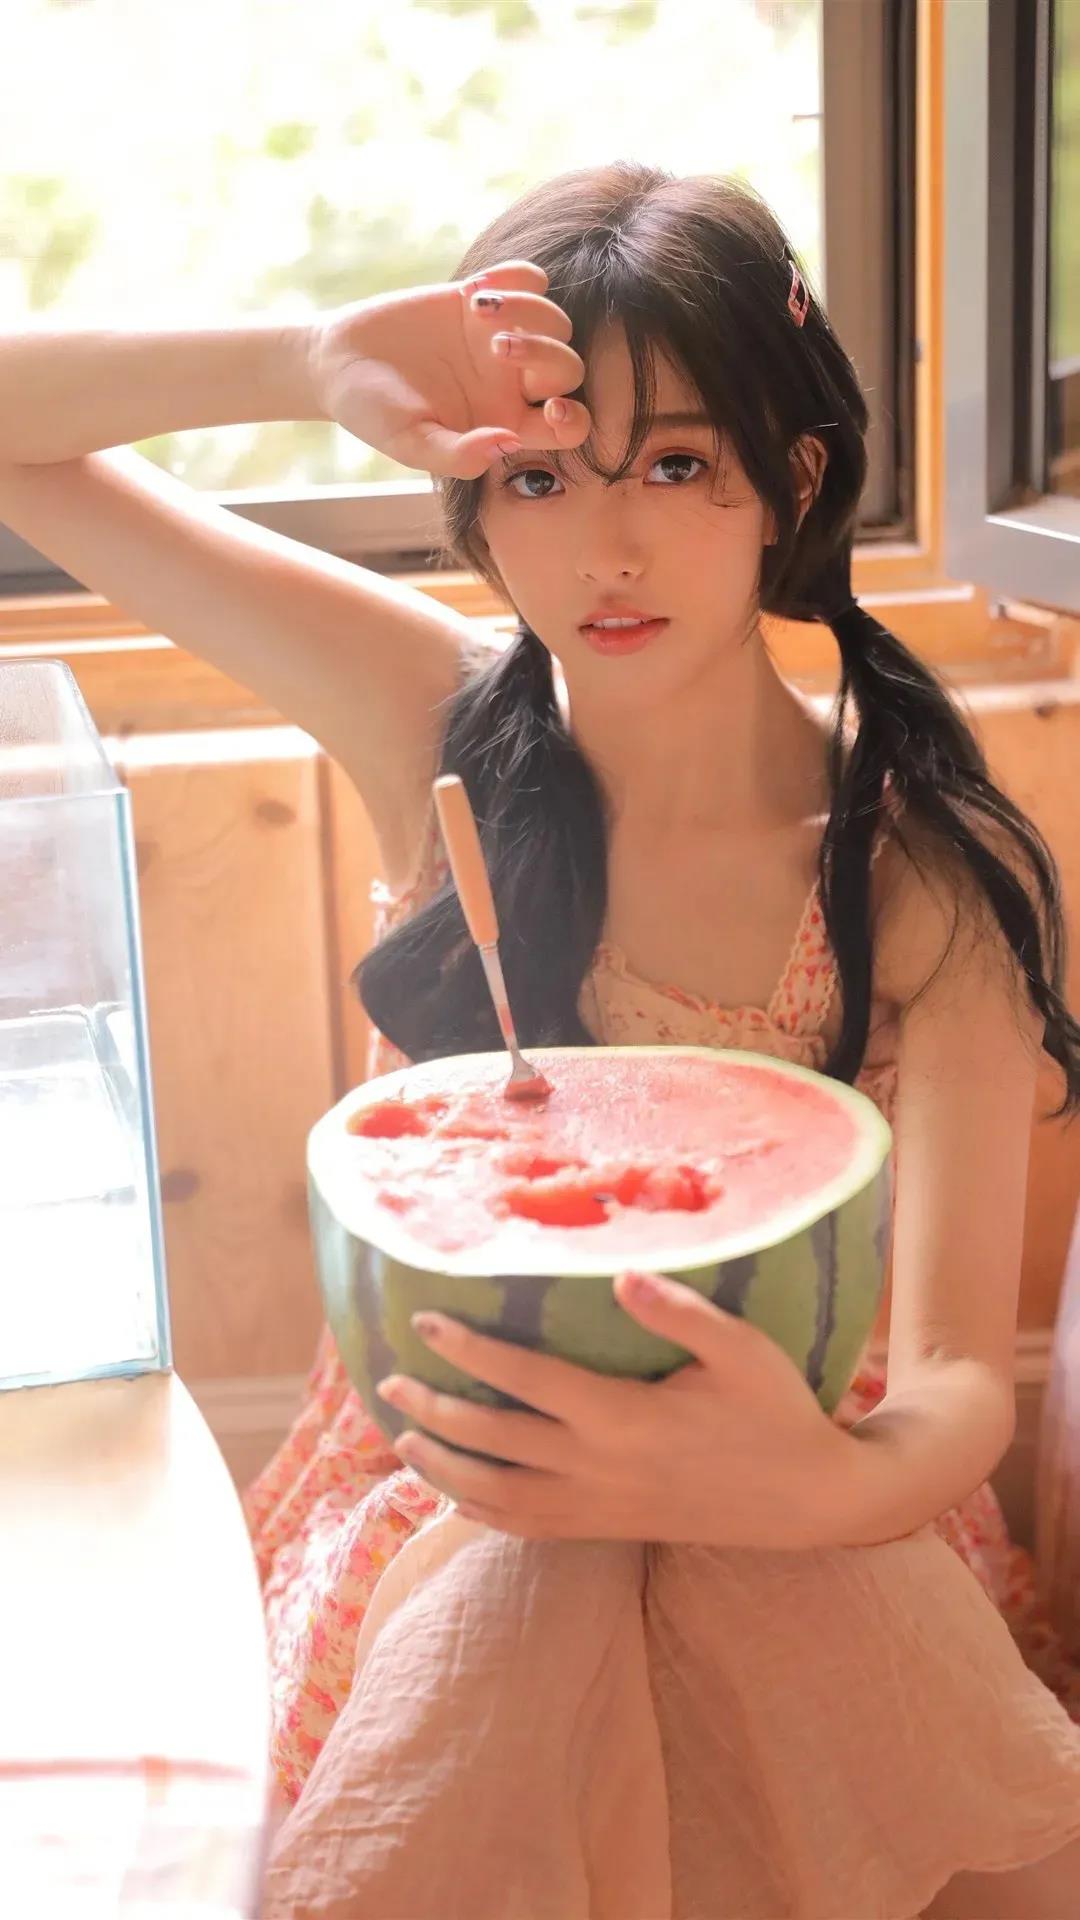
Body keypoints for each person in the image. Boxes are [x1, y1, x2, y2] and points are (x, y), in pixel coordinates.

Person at [3, 160, 1080, 1918]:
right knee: (525, 1594)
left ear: (793, 482)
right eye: (538, 477)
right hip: (449, 1478)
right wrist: (307, 358)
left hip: (815, 1478)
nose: (608, 548)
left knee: (755, 1595)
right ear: (475, 503)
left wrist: (793, 1487)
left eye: (677, 465)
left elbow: (958, 1381)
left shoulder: (918, 874)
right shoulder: (422, 715)